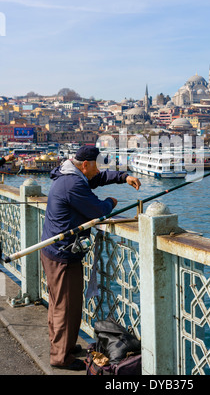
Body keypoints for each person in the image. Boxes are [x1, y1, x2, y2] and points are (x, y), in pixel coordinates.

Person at [40, 145, 141, 371]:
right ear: (85, 165)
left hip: (57, 252)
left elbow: (100, 177)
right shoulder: (73, 184)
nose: (98, 171)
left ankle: (63, 346)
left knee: (61, 304)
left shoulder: (73, 174)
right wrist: (111, 203)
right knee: (65, 307)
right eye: (95, 166)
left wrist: (124, 177)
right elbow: (97, 210)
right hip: (63, 254)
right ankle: (61, 357)